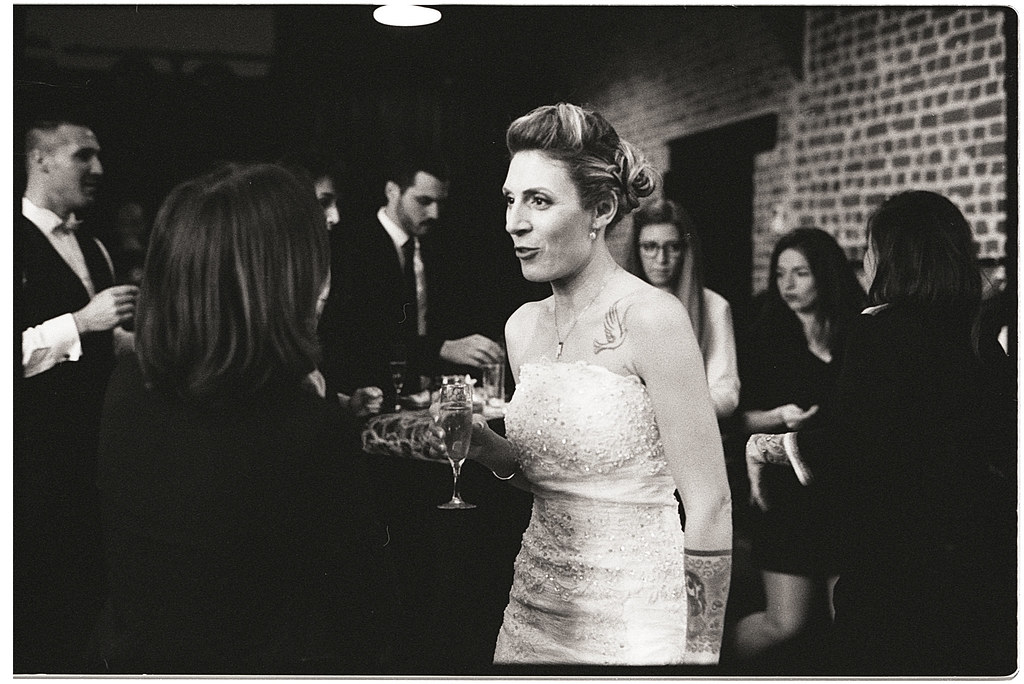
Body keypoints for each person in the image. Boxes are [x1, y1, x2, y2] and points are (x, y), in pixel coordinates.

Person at [94, 163, 395, 674]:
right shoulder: (306, 432)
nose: (326, 285)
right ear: (285, 280)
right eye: (316, 261)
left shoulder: (130, 384)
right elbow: (356, 617)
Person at [463, 103, 732, 665]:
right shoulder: (521, 327)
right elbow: (548, 477)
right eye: (510, 200)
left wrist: (701, 660)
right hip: (534, 609)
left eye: (538, 200)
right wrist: (488, 451)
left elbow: (710, 502)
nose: (515, 221)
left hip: (635, 625)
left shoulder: (651, 318)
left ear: (601, 209)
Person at [745, 191, 1016, 676]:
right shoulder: (978, 329)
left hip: (903, 555)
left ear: (894, 257)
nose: (865, 262)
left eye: (870, 248)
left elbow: (856, 444)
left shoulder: (882, 330)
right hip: (980, 551)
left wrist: (771, 448)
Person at [15, 118, 139, 673]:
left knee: (83, 600)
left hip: (92, 456)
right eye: (82, 156)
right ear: (40, 159)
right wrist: (81, 322)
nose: (98, 170)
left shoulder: (91, 241)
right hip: (28, 463)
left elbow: (102, 341)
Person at [728, 227, 865, 667]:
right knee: (785, 624)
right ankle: (709, 666)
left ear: (825, 275)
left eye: (801, 273)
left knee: (846, 618)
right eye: (781, 273)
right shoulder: (764, 339)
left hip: (845, 494)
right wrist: (777, 419)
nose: (787, 284)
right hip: (786, 498)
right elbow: (736, 421)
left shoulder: (860, 336)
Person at [320, 151, 503, 406]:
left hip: (420, 399)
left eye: (440, 202)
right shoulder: (351, 246)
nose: (434, 213)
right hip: (365, 400)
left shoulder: (436, 245)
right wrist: (441, 348)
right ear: (392, 190)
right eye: (424, 201)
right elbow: (360, 336)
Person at [280, 149, 384, 417]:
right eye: (324, 202)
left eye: (335, 203)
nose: (335, 216)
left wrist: (344, 402)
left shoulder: (326, 263)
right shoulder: (265, 273)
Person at [632, 199, 740, 419]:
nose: (661, 259)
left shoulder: (714, 306)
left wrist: (679, 412)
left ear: (685, 249)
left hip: (689, 427)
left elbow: (726, 391)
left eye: (673, 247)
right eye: (650, 247)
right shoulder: (621, 303)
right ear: (636, 249)